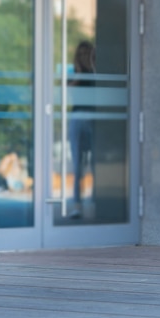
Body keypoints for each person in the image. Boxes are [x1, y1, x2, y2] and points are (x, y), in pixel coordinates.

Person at [68, 41, 95, 219]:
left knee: (95, 163)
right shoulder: (73, 72)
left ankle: (96, 200)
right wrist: (78, 71)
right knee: (77, 164)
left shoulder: (97, 72)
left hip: (95, 120)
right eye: (82, 54)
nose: (84, 57)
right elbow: (69, 92)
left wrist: (92, 66)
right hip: (77, 118)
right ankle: (77, 204)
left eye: (88, 53)